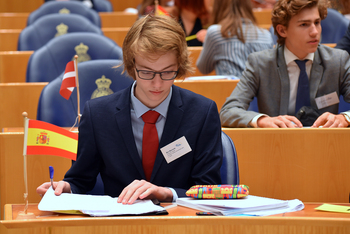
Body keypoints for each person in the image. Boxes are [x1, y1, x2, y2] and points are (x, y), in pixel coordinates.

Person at [36, 15, 223, 204]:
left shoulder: (202, 112)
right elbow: (79, 180)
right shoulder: (98, 115)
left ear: (179, 66)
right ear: (132, 66)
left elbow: (208, 187)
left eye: (167, 72)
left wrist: (166, 193)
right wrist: (65, 188)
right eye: (147, 72)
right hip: (119, 222)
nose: (157, 83)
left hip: (181, 223)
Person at [220, 0, 350, 128]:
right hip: (278, 144)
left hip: (326, 144)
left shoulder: (337, 61)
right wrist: (262, 120)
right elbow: (228, 111)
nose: (315, 32)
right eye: (304, 24)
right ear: (282, 30)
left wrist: (344, 118)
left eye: (317, 22)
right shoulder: (260, 64)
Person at [196, 0, 274, 77]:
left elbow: (203, 68)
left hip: (228, 89)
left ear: (218, 6)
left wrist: (208, 42)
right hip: (259, 89)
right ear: (249, 5)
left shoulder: (215, 33)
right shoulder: (266, 35)